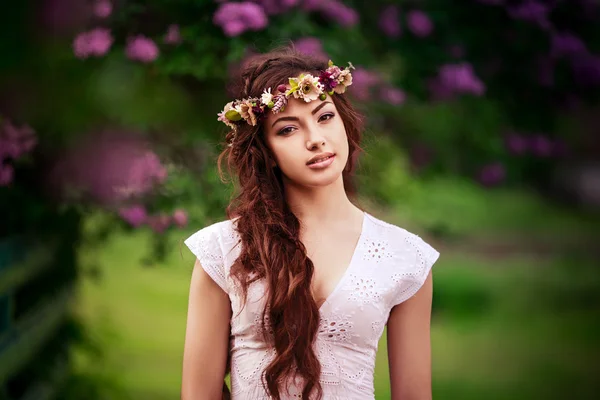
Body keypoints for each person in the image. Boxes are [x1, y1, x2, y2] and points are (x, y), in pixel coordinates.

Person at [181, 46, 440, 400]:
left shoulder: (405, 257)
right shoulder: (224, 250)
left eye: (324, 116)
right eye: (288, 129)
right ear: (267, 151)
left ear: (344, 123)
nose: (315, 138)